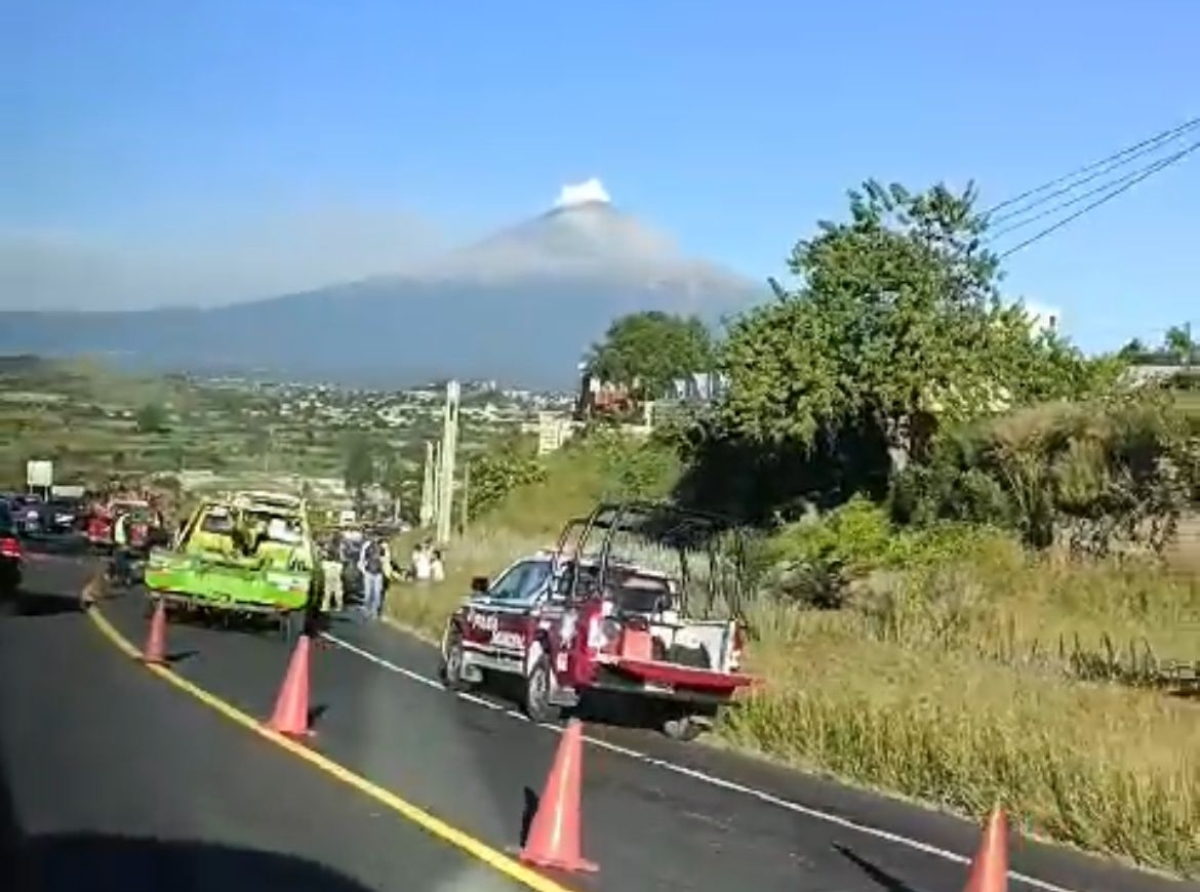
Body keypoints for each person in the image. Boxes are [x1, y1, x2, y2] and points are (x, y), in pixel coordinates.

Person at [358, 536, 386, 620]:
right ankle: (373, 612)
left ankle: (370, 611)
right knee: (375, 593)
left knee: (371, 593)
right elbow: (363, 559)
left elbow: (362, 560)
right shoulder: (377, 548)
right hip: (375, 573)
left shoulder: (379, 547)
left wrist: (363, 570)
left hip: (372, 572)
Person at [320, 540, 344, 614]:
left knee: (327, 591)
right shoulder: (339, 562)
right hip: (336, 571)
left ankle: (325, 606)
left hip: (328, 571)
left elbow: (322, 569)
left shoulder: (324, 563)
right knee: (338, 591)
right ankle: (339, 606)